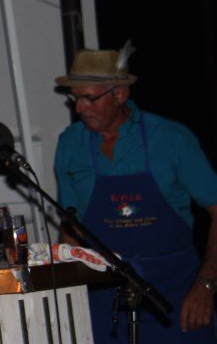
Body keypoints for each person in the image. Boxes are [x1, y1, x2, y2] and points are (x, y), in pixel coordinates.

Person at [54, 45, 217, 342]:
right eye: (75, 98)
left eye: (89, 98)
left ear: (119, 94)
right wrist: (66, 298)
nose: (79, 109)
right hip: (105, 304)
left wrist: (206, 285)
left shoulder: (170, 139)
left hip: (177, 298)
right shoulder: (70, 145)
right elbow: (71, 229)